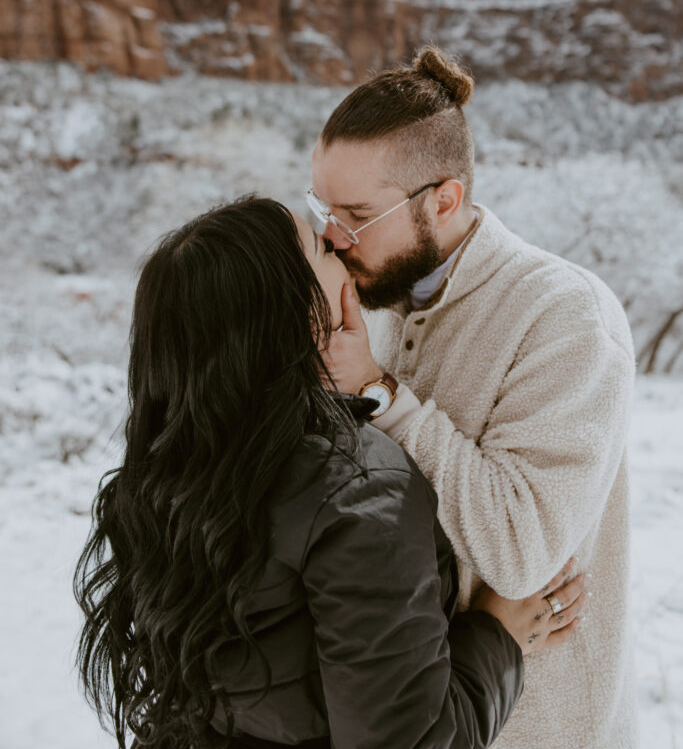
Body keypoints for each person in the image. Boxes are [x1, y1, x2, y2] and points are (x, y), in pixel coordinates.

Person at [73, 197, 587, 749]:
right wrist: (498, 636)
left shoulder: (168, 472)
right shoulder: (360, 491)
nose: (340, 243)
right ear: (297, 312)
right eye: (321, 246)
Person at [309, 46, 636, 749]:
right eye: (323, 209)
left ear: (443, 200)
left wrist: (376, 390)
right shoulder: (380, 295)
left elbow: (520, 552)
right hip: (413, 714)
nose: (332, 238)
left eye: (355, 216)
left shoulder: (565, 316)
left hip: (536, 728)